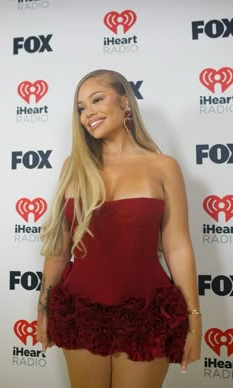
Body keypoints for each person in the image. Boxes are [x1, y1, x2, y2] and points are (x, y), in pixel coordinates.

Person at [37, 69, 202, 388]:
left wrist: (194, 321)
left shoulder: (163, 167)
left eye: (97, 99)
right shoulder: (73, 167)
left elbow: (178, 246)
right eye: (81, 108)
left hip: (146, 314)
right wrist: (43, 307)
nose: (88, 113)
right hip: (79, 311)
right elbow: (59, 246)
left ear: (126, 102)